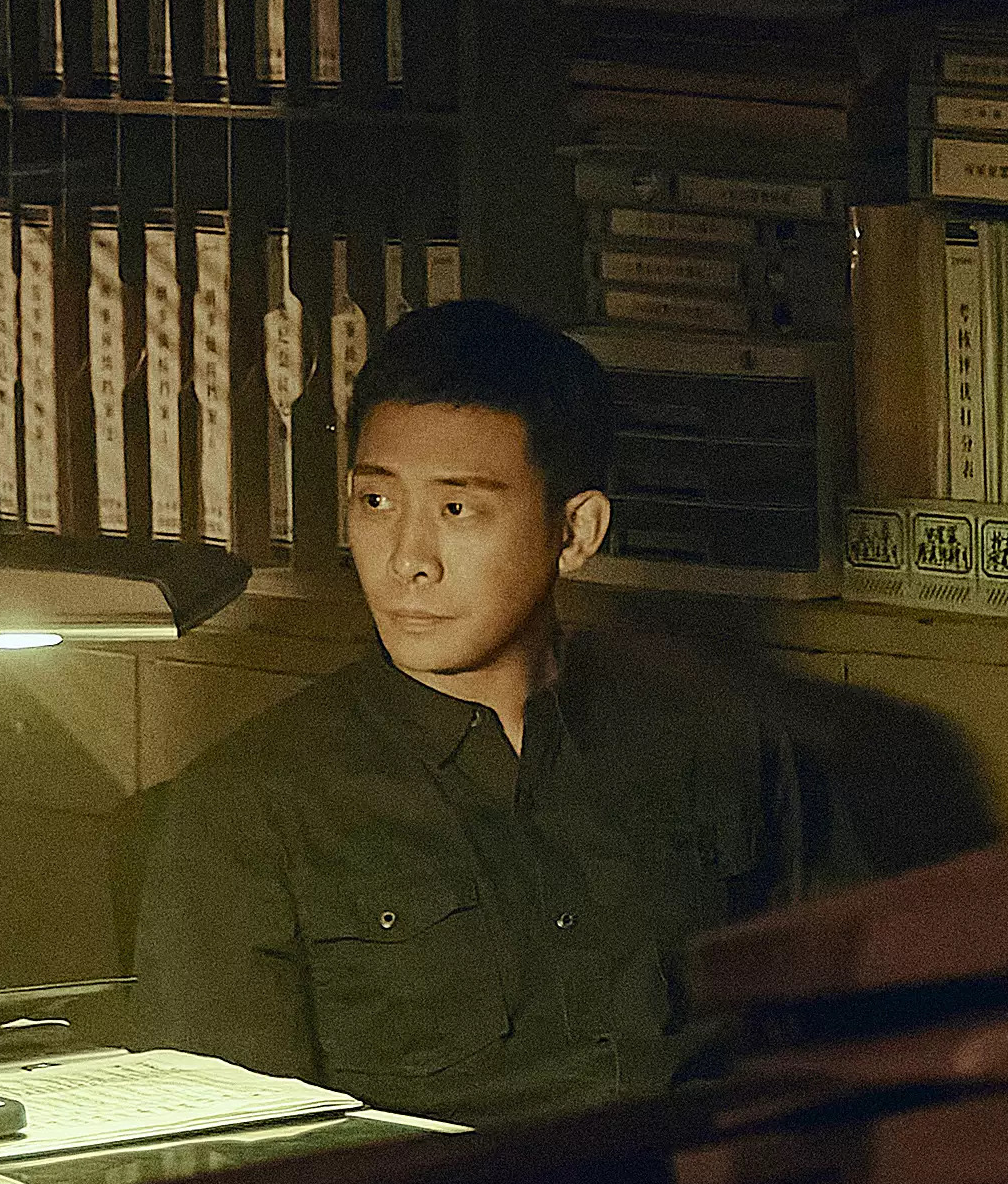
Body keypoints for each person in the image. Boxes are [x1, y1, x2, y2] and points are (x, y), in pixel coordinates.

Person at [128, 299, 826, 1128]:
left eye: (457, 509)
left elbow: (852, 1027)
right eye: (376, 502)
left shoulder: (718, 739)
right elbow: (230, 1153)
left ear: (576, 531)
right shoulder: (250, 807)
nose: (408, 561)